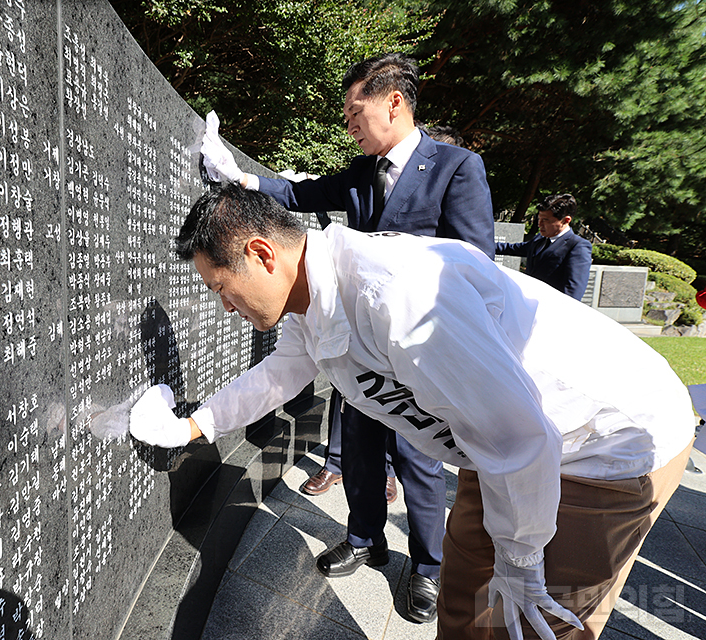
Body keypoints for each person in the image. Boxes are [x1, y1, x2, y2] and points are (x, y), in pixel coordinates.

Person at [130, 184, 695, 640]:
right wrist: (192, 424)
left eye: (222, 287)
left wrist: (522, 561)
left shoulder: (398, 296)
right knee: (466, 594)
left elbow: (524, 439)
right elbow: (281, 372)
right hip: (497, 446)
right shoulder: (311, 293)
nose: (225, 307)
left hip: (603, 442)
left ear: (261, 253)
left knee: (534, 619)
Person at [200, 53, 495, 622]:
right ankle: (365, 538)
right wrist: (235, 175)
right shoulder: (362, 172)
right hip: (357, 345)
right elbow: (297, 196)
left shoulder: (457, 167)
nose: (349, 124)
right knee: (359, 452)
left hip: (420, 352)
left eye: (356, 111)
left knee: (419, 460)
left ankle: (429, 568)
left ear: (394, 101)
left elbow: (473, 265)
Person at [496, 194, 592, 301]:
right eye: (539, 219)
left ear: (565, 220)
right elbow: (514, 248)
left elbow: (573, 290)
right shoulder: (540, 239)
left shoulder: (577, 246)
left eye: (546, 220)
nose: (539, 224)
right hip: (525, 303)